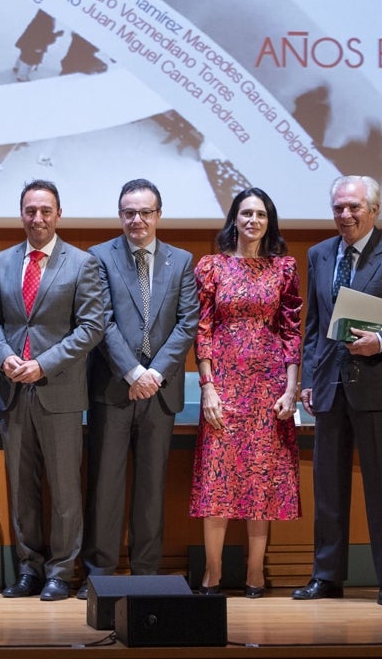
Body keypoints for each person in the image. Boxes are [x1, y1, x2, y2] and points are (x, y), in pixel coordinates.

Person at [0, 179, 106, 601]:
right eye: (30, 210)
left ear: (58, 214)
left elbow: (92, 327)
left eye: (45, 211)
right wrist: (4, 356)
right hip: (14, 391)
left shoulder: (81, 263)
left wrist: (43, 364)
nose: (37, 218)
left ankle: (61, 570)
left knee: (64, 488)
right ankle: (29, 570)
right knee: (22, 488)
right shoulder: (1, 262)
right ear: (21, 214)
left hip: (59, 391)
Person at [79, 180, 198, 600]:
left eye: (145, 212)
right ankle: (101, 574)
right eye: (129, 212)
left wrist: (155, 373)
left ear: (158, 215)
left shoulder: (182, 261)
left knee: (151, 487)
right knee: (105, 485)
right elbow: (101, 320)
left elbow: (187, 323)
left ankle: (147, 574)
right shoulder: (98, 258)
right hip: (114, 386)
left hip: (160, 392)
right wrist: (133, 372)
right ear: (120, 215)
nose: (137, 220)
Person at [190, 187, 301, 597]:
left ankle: (256, 573)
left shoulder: (284, 268)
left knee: (261, 480)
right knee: (216, 480)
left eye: (261, 214)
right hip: (224, 383)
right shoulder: (211, 266)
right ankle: (213, 574)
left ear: (269, 222)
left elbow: (292, 332)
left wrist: (291, 389)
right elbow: (202, 330)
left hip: (268, 387)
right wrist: (207, 387)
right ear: (233, 219)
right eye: (246, 213)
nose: (253, 220)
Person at [295, 175, 382, 603]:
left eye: (354, 208)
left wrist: (380, 342)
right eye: (338, 208)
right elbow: (313, 326)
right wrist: (309, 379)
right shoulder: (319, 254)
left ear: (374, 210)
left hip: (376, 387)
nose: (345, 215)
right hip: (329, 387)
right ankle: (327, 576)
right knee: (328, 490)